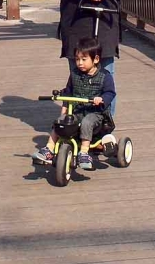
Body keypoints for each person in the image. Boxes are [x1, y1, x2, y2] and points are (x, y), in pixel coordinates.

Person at [32, 38, 116, 170]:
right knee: (60, 122)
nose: (79, 63)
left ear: (96, 59)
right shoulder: (75, 74)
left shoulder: (104, 76)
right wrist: (60, 94)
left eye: (84, 59)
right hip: (76, 111)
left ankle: (83, 152)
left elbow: (110, 93)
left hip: (96, 113)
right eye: (77, 59)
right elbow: (69, 90)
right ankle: (49, 149)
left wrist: (102, 99)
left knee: (87, 122)